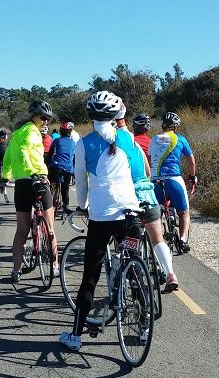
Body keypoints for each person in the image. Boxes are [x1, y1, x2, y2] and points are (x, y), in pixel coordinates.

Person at [58, 91, 142, 351]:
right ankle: (144, 321)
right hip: (130, 214)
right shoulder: (127, 138)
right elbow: (139, 173)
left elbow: (80, 181)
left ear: (91, 116)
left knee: (90, 277)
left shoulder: (84, 144)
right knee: (134, 267)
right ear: (117, 115)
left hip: (101, 217)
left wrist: (82, 206)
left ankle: (75, 336)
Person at [115, 113, 179, 293]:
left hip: (129, 197)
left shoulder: (114, 149)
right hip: (148, 195)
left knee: (127, 242)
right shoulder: (137, 146)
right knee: (157, 239)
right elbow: (149, 170)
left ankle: (133, 280)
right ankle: (170, 273)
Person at [1, 101, 58, 283]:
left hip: (21, 183)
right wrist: (33, 172)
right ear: (33, 116)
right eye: (43, 118)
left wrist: (5, 176)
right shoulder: (32, 131)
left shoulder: (16, 133)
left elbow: (8, 157)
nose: (45, 122)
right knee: (50, 229)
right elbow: (25, 150)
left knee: (21, 230)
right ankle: (55, 266)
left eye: (48, 119)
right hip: (37, 178)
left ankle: (16, 270)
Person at [150, 112, 197, 253]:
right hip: (174, 179)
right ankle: (182, 240)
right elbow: (191, 160)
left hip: (156, 180)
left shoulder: (154, 139)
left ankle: (156, 242)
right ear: (176, 126)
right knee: (183, 212)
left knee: (154, 214)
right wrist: (192, 176)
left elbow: (149, 158)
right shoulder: (180, 139)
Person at [47, 122, 77, 214]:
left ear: (61, 132)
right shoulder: (73, 143)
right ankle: (66, 207)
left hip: (55, 166)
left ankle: (46, 201)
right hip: (68, 169)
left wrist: (47, 164)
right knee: (65, 189)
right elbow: (74, 158)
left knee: (49, 184)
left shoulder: (56, 141)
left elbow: (50, 154)